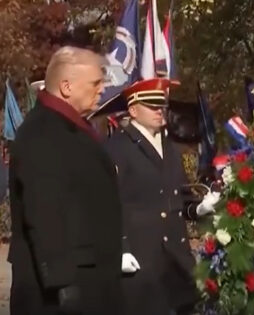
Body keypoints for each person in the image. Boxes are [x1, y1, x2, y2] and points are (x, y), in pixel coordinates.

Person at [8, 46, 123, 315]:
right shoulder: (41, 134)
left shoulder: (71, 128)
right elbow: (44, 211)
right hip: (64, 295)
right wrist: (64, 287)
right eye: (96, 83)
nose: (102, 89)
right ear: (66, 86)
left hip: (92, 283)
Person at [105, 78, 220, 315]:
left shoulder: (169, 146)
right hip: (141, 258)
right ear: (133, 110)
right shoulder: (117, 147)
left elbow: (179, 195)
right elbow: (109, 203)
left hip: (176, 262)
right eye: (151, 105)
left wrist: (197, 209)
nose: (159, 110)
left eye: (161, 105)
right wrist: (120, 248)